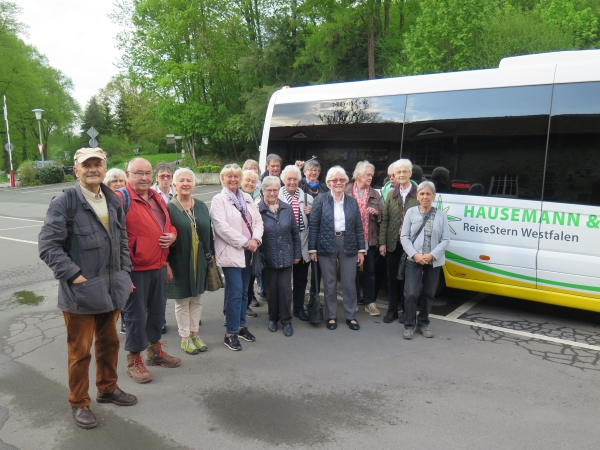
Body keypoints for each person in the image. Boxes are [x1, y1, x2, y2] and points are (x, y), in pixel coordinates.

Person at [38, 147, 137, 429]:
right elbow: (48, 246)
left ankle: (108, 389)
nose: (93, 169)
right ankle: (79, 402)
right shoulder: (65, 202)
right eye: (87, 165)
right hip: (80, 293)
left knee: (109, 344)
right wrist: (74, 276)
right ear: (76, 170)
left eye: (98, 164)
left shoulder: (113, 200)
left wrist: (124, 272)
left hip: (111, 289)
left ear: (105, 168)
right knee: (79, 352)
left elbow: (121, 239)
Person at [117, 158, 181, 383]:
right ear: (128, 175)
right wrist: (122, 273)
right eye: (138, 173)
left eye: (146, 173)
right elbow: (113, 239)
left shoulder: (156, 198)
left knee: (156, 311)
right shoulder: (120, 199)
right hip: (135, 269)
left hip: (158, 265)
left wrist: (172, 236)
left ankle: (154, 352)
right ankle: (133, 360)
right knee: (135, 316)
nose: (143, 177)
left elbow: (168, 225)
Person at [210, 163, 264, 351]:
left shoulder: (247, 197)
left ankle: (241, 327)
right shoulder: (219, 200)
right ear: (223, 179)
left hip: (248, 251)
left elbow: (257, 221)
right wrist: (245, 241)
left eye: (236, 176)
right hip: (232, 251)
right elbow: (221, 227)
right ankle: (230, 333)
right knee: (234, 292)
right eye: (229, 176)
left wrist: (256, 239)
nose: (233, 179)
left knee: (243, 292)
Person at [308, 166, 365, 331]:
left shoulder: (352, 201)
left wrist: (361, 250)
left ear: (346, 182)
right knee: (330, 283)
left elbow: (358, 227)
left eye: (341, 180)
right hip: (326, 243)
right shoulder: (320, 200)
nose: (338, 183)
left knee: (349, 282)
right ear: (329, 183)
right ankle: (331, 316)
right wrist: (313, 250)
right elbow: (314, 226)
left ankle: (350, 316)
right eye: (335, 180)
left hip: (349, 243)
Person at [165, 168, 212, 355]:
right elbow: (165, 236)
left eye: (189, 180)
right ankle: (185, 338)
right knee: (183, 301)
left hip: (199, 259)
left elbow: (208, 232)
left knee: (197, 299)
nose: (185, 184)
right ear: (174, 185)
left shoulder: (200, 205)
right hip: (180, 260)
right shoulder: (169, 208)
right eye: (181, 180)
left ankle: (195, 334)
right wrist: (166, 262)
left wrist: (211, 254)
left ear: (194, 184)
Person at [401, 181, 450, 340]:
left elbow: (445, 240)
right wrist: (415, 255)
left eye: (428, 194)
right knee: (411, 293)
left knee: (429, 293)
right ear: (417, 196)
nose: (425, 197)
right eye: (422, 194)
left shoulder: (441, 215)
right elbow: (405, 237)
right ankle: (409, 325)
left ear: (434, 196)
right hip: (414, 259)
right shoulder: (410, 212)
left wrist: (432, 255)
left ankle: (423, 323)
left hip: (433, 261)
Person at [259, 176, 302, 336]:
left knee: (285, 290)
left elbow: (295, 233)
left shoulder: (286, 208)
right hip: (267, 258)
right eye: (268, 190)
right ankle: (272, 318)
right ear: (263, 191)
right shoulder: (258, 210)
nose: (272, 192)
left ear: (279, 191)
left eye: (275, 190)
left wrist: (297, 253)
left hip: (286, 256)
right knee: (271, 290)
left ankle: (286, 320)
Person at [379, 159, 419, 323]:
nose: (401, 175)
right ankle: (392, 310)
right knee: (392, 278)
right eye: (398, 172)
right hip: (393, 243)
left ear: (410, 173)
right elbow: (385, 219)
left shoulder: (418, 194)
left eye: (404, 171)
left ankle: (405, 311)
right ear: (394, 175)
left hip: (411, 245)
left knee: (407, 281)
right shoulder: (391, 194)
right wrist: (382, 242)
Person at [345, 161, 383, 316]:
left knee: (370, 271)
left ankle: (369, 302)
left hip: (370, 238)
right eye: (368, 174)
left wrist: (376, 213)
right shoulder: (347, 190)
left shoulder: (375, 193)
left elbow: (382, 215)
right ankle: (353, 300)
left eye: (372, 175)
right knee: (351, 271)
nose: (370, 178)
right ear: (359, 175)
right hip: (350, 238)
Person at [279, 165, 313, 321]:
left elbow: (315, 223)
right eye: (289, 179)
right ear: (283, 180)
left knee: (301, 279)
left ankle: (298, 308)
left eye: (295, 179)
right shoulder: (276, 196)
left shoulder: (308, 198)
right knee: (283, 281)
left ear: (299, 180)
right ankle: (281, 310)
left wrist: (311, 214)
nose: (292, 182)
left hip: (302, 243)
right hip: (283, 244)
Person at [297, 160, 329, 309]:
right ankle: (299, 297)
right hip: (303, 233)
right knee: (301, 270)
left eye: (316, 170)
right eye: (309, 170)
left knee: (317, 269)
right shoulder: (299, 186)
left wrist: (315, 213)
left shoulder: (324, 188)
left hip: (319, 234)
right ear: (304, 172)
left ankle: (314, 296)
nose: (313, 172)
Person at [102, 167, 129, 335]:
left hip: (123, 254)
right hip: (106, 257)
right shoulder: (103, 202)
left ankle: (125, 321)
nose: (118, 184)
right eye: (114, 181)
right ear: (107, 183)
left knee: (125, 288)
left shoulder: (123, 201)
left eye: (121, 181)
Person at [152, 161, 175, 334]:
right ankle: (160, 319)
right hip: (160, 243)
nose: (165, 179)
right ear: (156, 178)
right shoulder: (152, 195)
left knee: (177, 280)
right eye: (162, 176)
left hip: (176, 240)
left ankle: (185, 315)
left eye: (168, 176)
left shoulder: (176, 193)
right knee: (160, 286)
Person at [240, 169, 261, 315]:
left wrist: (255, 239)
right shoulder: (234, 197)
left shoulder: (257, 197)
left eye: (253, 181)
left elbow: (258, 222)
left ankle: (245, 307)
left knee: (248, 278)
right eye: (247, 180)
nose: (250, 183)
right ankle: (229, 312)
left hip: (253, 246)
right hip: (239, 246)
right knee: (236, 283)